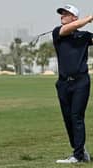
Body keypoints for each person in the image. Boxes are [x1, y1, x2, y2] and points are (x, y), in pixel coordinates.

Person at [52, 4, 93, 163]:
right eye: (61, 13)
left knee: (76, 116)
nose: (62, 15)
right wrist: (89, 18)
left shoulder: (84, 36)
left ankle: (77, 155)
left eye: (66, 13)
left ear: (74, 17)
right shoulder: (58, 32)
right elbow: (71, 28)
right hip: (63, 83)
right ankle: (80, 151)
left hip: (81, 82)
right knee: (68, 118)